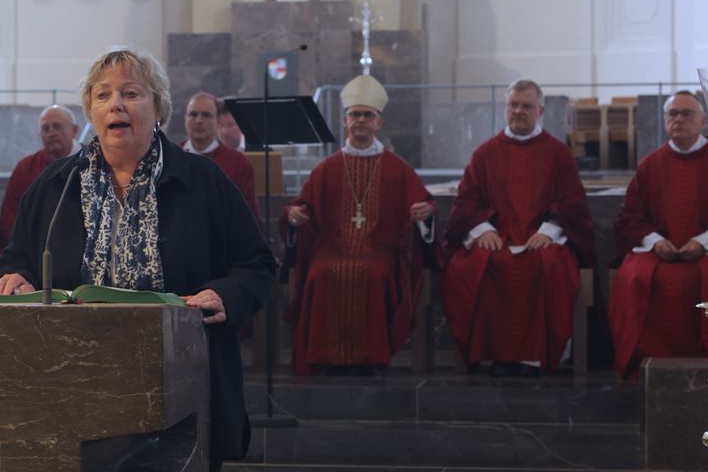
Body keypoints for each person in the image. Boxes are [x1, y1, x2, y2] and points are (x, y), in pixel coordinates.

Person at [0, 46, 275, 472]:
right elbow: (13, 255)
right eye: (103, 94)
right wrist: (12, 278)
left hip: (180, 405)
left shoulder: (202, 182)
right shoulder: (57, 186)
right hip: (70, 405)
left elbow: (258, 266)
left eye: (132, 92)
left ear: (158, 108)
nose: (117, 103)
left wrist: (225, 295)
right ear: (90, 111)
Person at [440, 78, 594, 373]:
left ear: (540, 111)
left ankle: (535, 357)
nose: (519, 111)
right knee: (477, 266)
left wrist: (548, 231)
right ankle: (494, 354)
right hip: (497, 237)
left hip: (543, 239)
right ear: (505, 108)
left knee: (546, 265)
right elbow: (466, 201)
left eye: (526, 106)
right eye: (513, 105)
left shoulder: (558, 154)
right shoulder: (485, 153)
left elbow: (572, 203)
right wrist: (482, 230)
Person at [283, 76, 433, 373]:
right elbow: (301, 205)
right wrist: (293, 216)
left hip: (381, 248)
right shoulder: (327, 168)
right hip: (333, 247)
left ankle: (372, 358)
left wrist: (424, 216)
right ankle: (323, 356)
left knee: (376, 273)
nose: (361, 120)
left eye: (368, 115)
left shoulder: (398, 167)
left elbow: (425, 207)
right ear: (345, 120)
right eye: (355, 114)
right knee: (319, 272)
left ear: (379, 123)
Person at [610, 92, 708, 379]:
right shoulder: (651, 164)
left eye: (686, 113)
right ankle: (646, 368)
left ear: (702, 120)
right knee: (634, 278)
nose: (679, 119)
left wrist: (702, 242)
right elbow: (629, 217)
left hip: (704, 255)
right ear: (665, 120)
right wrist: (654, 240)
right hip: (659, 253)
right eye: (672, 114)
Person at [0, 105, 81, 266]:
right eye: (45, 129)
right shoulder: (26, 168)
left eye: (57, 126)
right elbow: (10, 214)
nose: (51, 133)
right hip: (34, 246)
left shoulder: (90, 163)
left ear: (74, 130)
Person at [183, 92, 260, 222]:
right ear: (186, 119)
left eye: (206, 115)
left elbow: (249, 217)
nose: (199, 121)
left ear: (218, 122)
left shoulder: (238, 162)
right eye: (193, 114)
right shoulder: (171, 157)